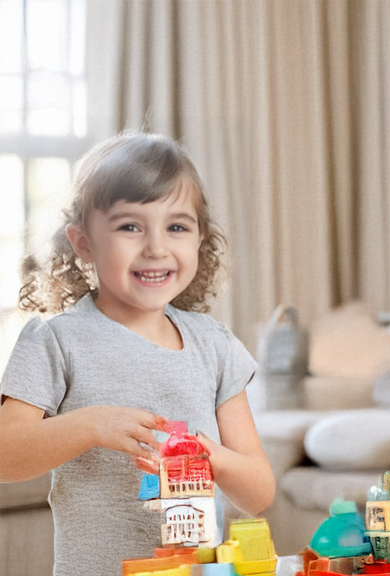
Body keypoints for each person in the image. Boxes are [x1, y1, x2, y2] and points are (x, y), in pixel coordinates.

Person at [0, 133, 275, 575]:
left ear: (200, 239)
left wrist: (214, 458)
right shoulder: (55, 341)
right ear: (83, 241)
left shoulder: (216, 345)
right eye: (130, 226)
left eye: (177, 227)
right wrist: (90, 425)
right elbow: (5, 456)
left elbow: (258, 492)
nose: (156, 247)